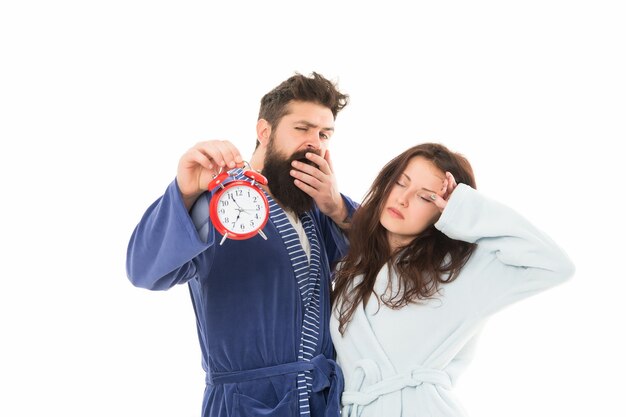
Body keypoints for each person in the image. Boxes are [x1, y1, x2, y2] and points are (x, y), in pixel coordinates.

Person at [126, 72, 357, 417]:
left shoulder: (320, 207)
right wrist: (185, 191)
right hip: (246, 405)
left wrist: (338, 208)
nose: (315, 142)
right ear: (264, 131)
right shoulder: (221, 199)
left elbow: (384, 264)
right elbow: (143, 270)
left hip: (320, 402)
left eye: (324, 134)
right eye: (302, 128)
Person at [330, 143, 575, 417]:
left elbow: (554, 264)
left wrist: (465, 209)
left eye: (425, 197)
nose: (403, 199)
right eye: (400, 183)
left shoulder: (459, 272)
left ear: (443, 209)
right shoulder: (351, 270)